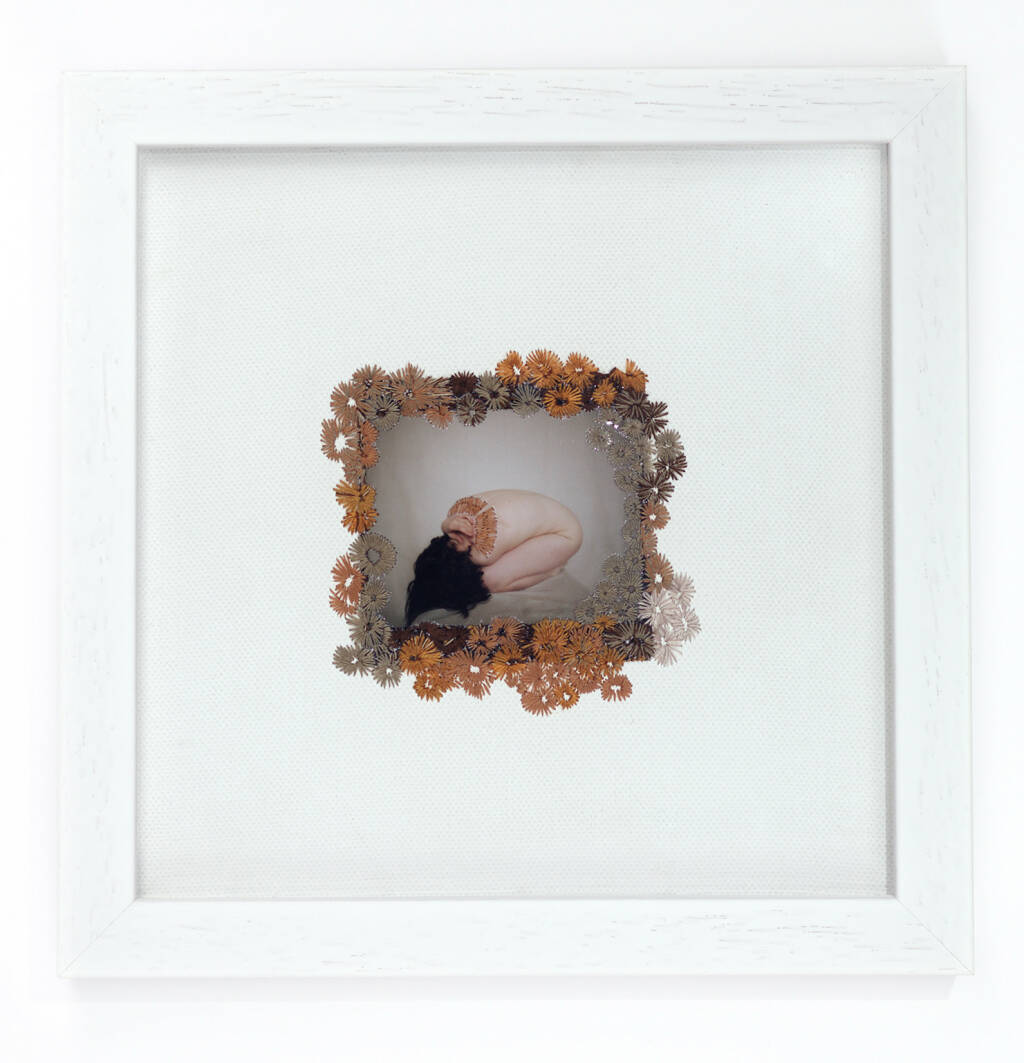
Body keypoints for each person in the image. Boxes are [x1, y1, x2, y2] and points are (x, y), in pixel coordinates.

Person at [405, 489, 583, 625]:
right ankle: (549, 565)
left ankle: (551, 570)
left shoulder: (483, 553)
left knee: (488, 580)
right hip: (559, 519)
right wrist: (447, 525)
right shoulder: (454, 514)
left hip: (565, 535)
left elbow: (482, 580)